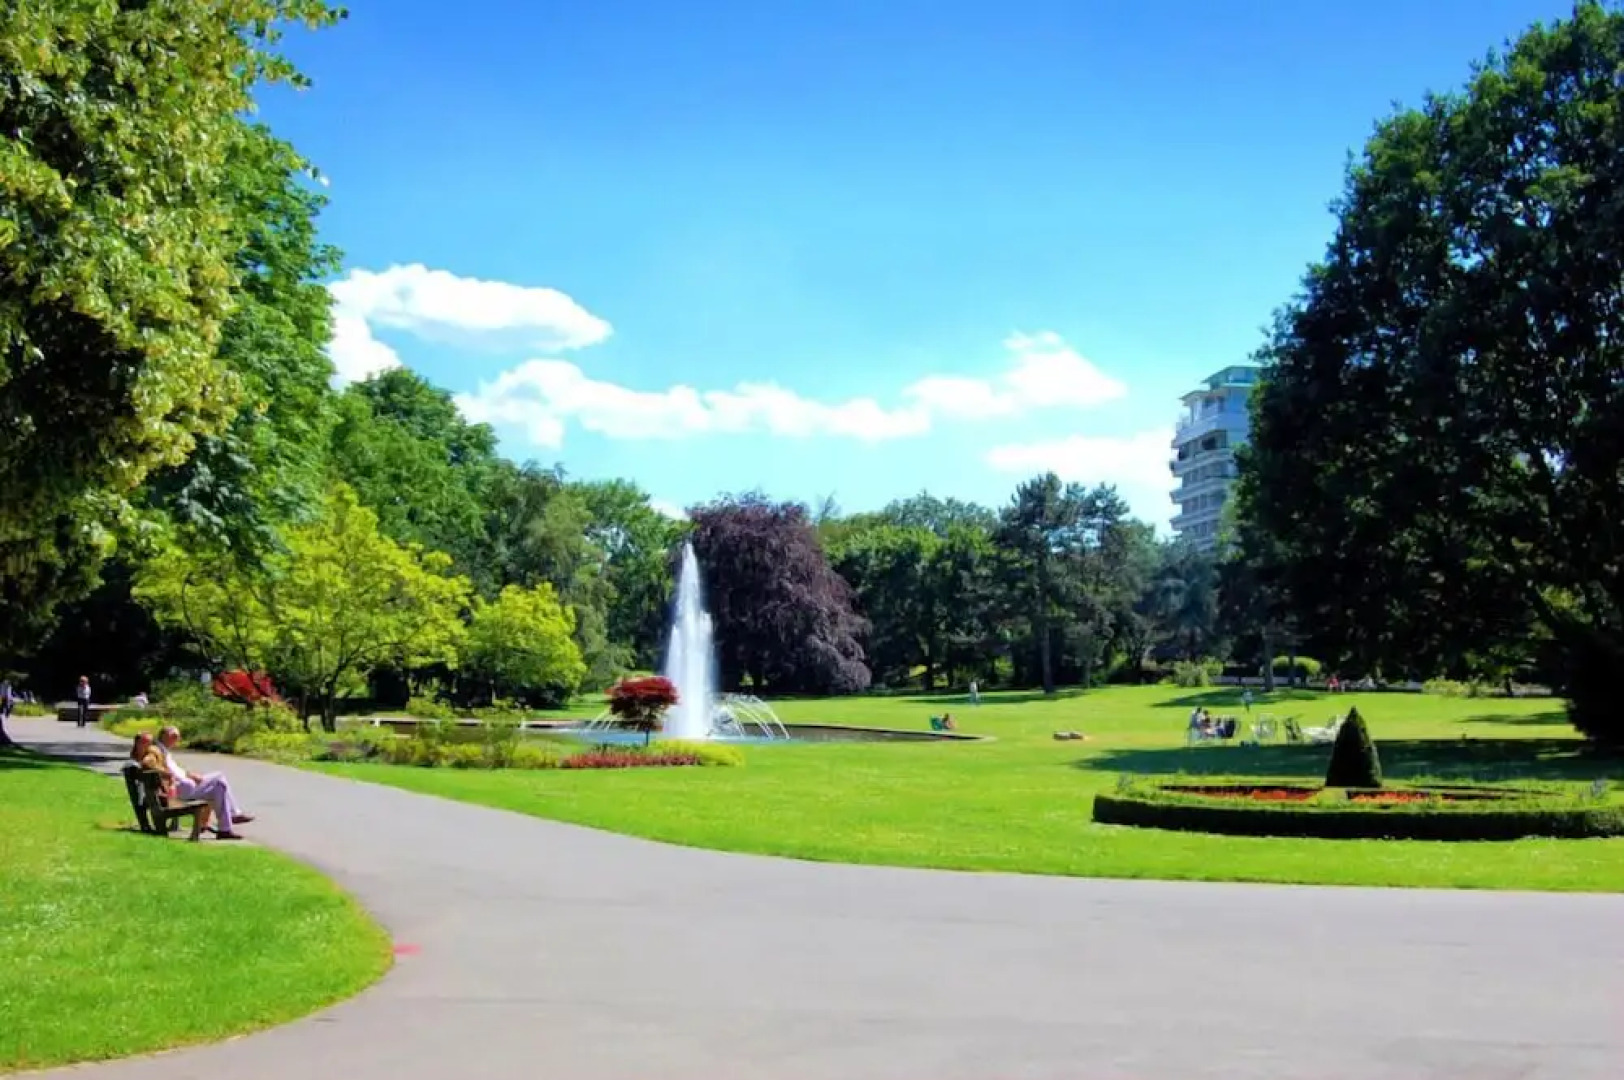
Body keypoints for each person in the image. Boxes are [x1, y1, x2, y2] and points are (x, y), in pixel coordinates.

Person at [154, 726, 252, 840]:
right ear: (164, 736)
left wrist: (190, 775)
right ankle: (233, 815)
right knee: (219, 777)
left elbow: (175, 771)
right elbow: (165, 772)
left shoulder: (163, 751)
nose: (177, 739)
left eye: (178, 737)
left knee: (219, 787)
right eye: (174, 736)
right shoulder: (158, 751)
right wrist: (180, 779)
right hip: (181, 789)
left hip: (183, 786)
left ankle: (225, 829)